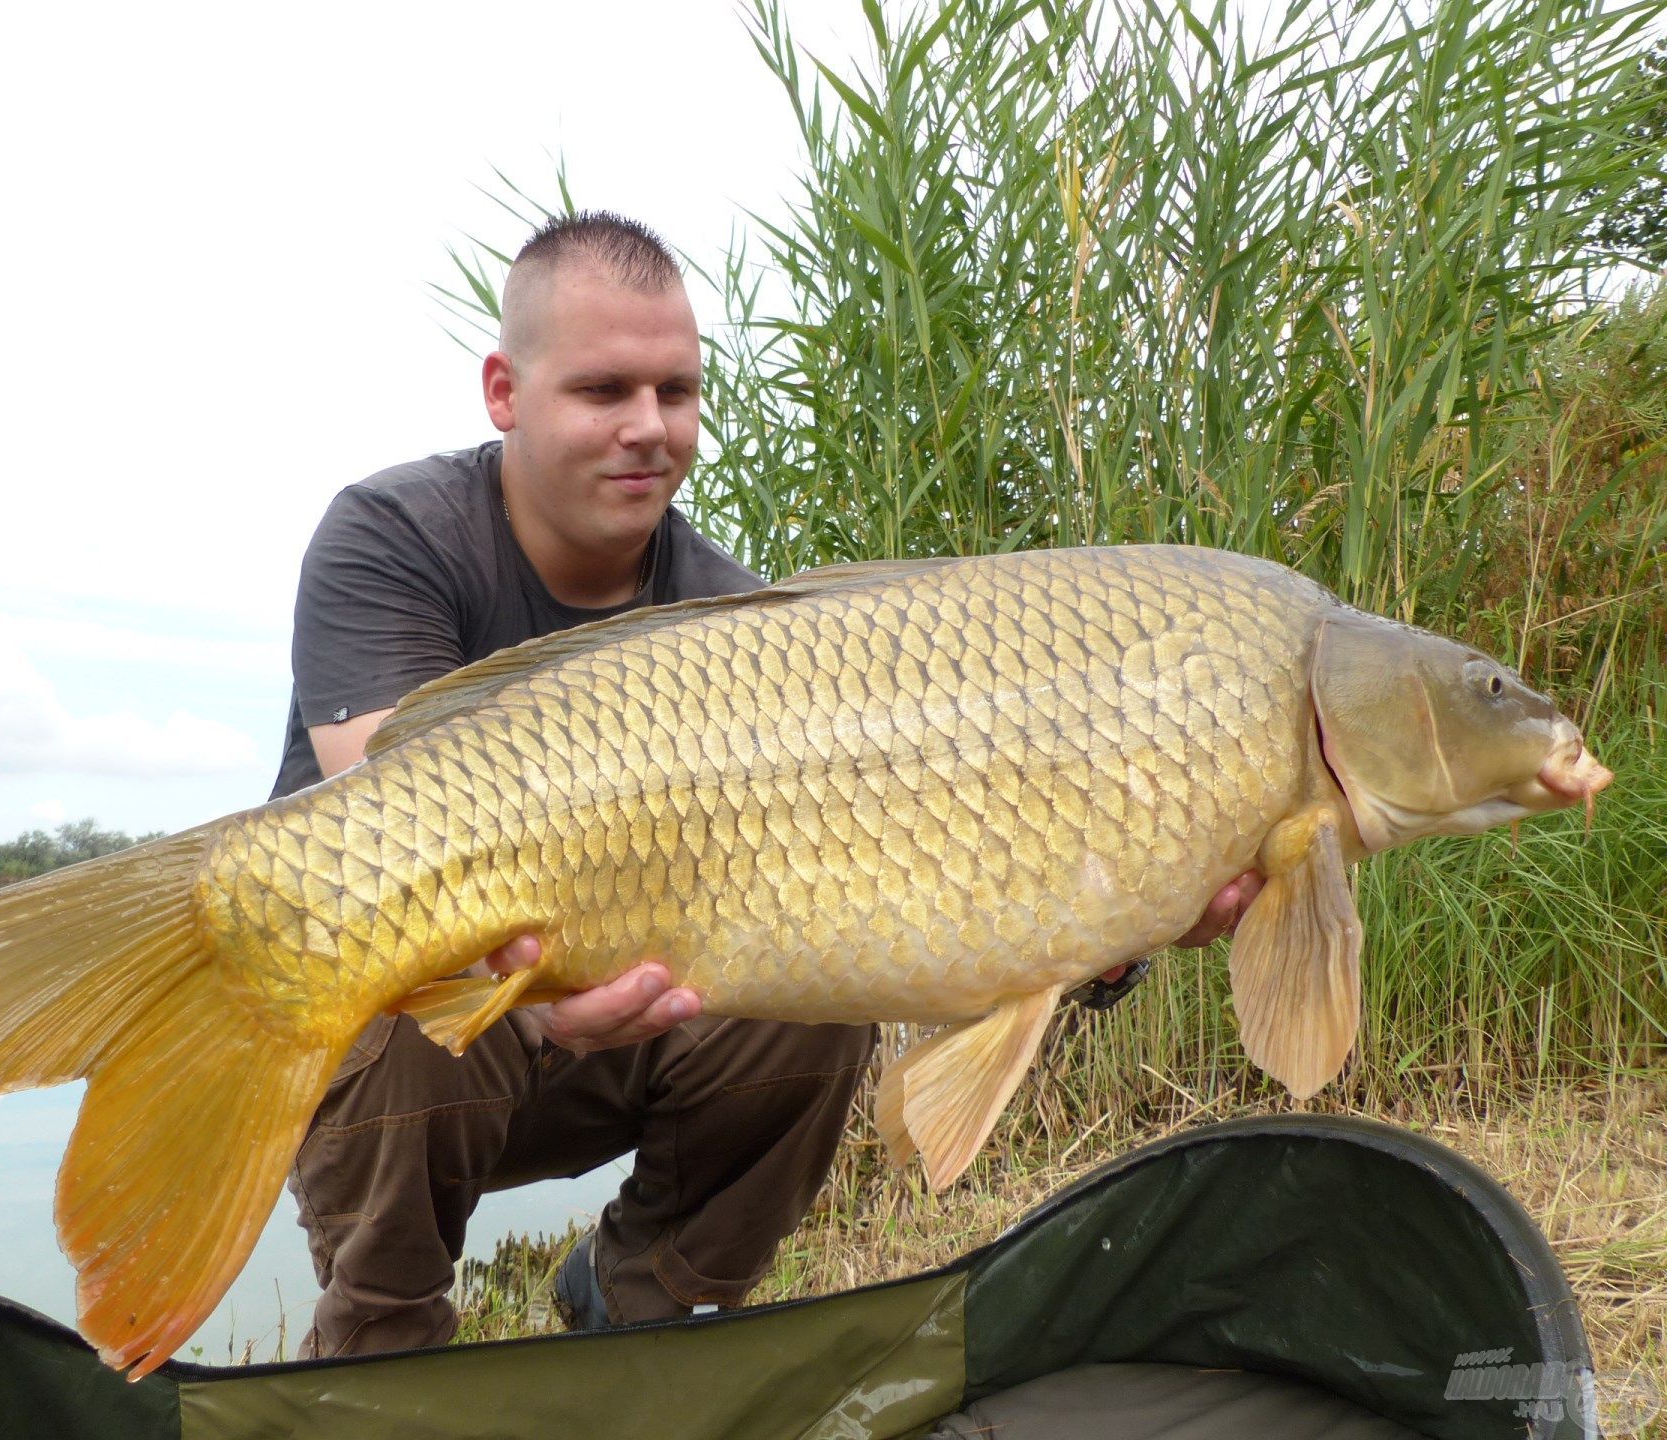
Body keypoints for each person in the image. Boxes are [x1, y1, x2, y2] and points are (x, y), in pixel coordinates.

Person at [272, 210, 1260, 1360]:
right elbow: (396, 834)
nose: (651, 428)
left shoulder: (737, 620)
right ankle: (382, 1345)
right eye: (605, 390)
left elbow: (907, 875)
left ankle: (646, 1309)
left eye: (678, 392)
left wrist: (1122, 912)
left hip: (628, 1026)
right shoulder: (392, 536)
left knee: (817, 999)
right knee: (405, 972)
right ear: (504, 392)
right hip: (413, 1046)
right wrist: (535, 996)